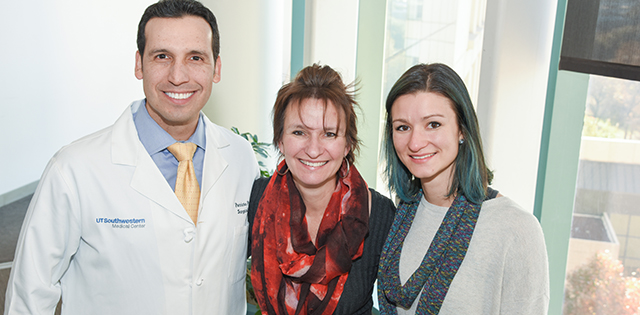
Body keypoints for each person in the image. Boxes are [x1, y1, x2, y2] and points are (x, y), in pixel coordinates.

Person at [4, 0, 258, 314]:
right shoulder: (74, 169)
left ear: (216, 68)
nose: (178, 76)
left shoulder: (240, 157)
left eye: (195, 57)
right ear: (139, 64)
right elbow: (30, 296)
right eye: (162, 56)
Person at [377, 63, 549, 314]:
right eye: (403, 127)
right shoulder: (402, 214)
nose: (415, 142)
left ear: (462, 130)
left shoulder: (516, 229)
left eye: (433, 124)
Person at [249, 64, 396, 314]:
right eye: (299, 132)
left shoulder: (380, 216)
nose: (314, 149)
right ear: (280, 140)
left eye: (329, 134)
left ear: (348, 144)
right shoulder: (257, 202)